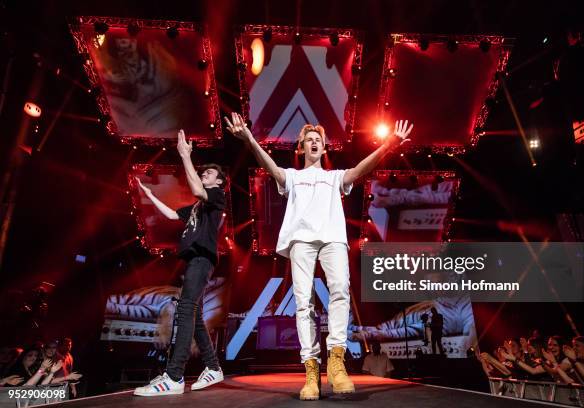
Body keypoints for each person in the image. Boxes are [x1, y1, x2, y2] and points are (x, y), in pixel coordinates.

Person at [226, 112, 413, 400]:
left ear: (324, 148)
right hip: (301, 240)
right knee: (303, 303)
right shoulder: (293, 177)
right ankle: (311, 370)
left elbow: (360, 169)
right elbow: (271, 167)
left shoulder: (334, 177)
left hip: (333, 239)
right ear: (300, 148)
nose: (314, 143)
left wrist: (389, 145)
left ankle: (336, 362)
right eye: (308, 140)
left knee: (340, 291)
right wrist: (249, 138)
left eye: (318, 140)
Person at [134, 130, 226, 397]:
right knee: (193, 313)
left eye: (209, 173)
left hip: (202, 259)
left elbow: (198, 188)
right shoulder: (196, 207)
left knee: (185, 310)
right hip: (194, 260)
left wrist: (185, 155)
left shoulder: (217, 196)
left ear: (218, 181)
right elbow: (173, 214)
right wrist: (149, 195)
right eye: (204, 172)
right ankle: (213, 366)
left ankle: (174, 376)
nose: (204, 175)